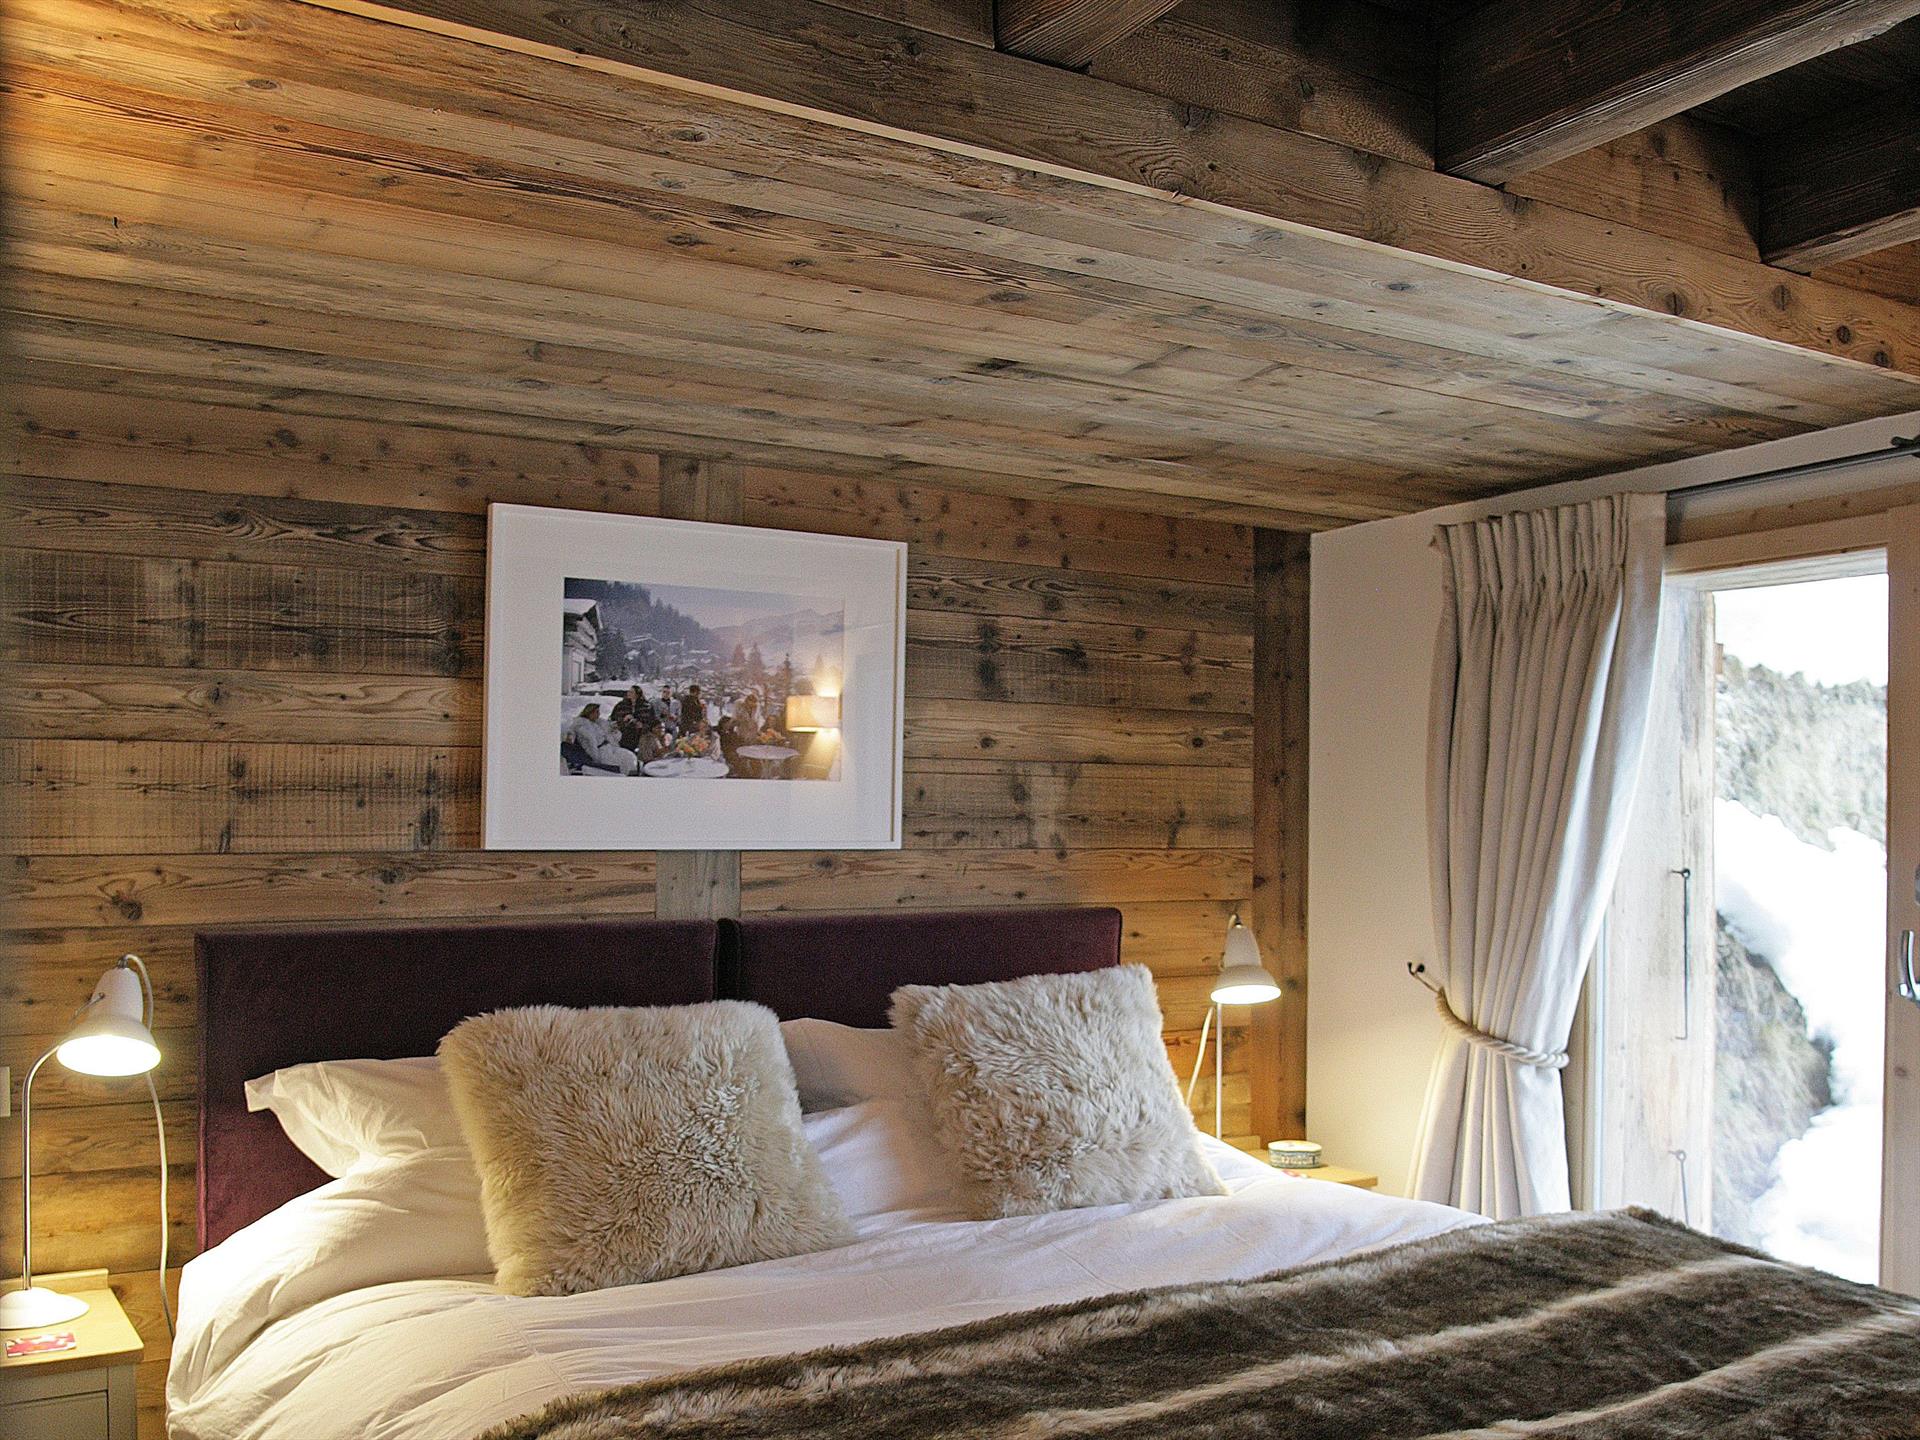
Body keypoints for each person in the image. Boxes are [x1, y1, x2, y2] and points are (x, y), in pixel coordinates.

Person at [563, 703, 637, 775]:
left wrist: (614, 730)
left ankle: (632, 773)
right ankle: (626, 775)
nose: (599, 714)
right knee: (619, 761)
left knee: (628, 755)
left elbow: (610, 729)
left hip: (610, 747)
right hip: (600, 751)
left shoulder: (599, 722)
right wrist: (570, 736)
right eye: (597, 712)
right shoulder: (580, 724)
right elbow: (571, 731)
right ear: (590, 713)